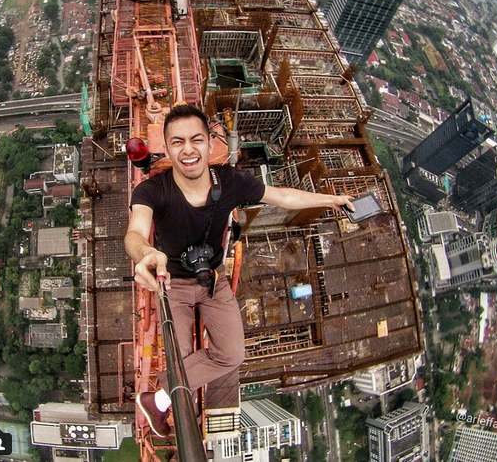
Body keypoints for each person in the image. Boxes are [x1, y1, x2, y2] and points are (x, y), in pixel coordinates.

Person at [125, 104, 355, 437]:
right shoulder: (152, 190)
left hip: (213, 280)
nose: (188, 150)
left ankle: (159, 397)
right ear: (167, 147)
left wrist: (330, 200)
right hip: (171, 282)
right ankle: (167, 398)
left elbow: (281, 196)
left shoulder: (229, 182)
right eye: (177, 142)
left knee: (232, 354)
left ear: (208, 143)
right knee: (181, 357)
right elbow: (135, 230)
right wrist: (146, 253)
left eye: (196, 140)